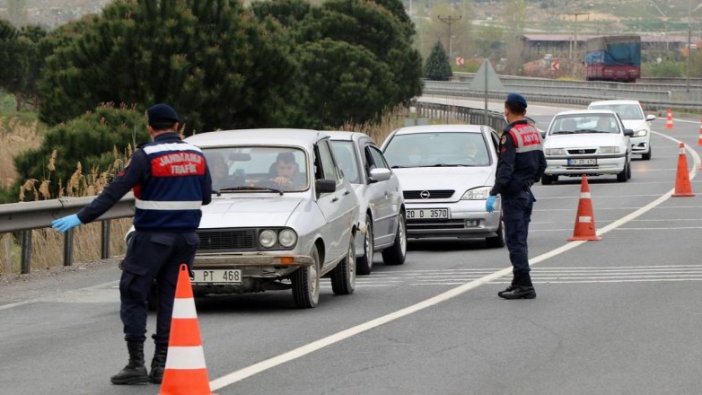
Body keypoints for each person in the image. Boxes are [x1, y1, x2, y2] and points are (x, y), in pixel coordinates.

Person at [51, 103, 212, 385]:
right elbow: (206, 197)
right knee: (171, 299)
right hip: (186, 240)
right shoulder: (197, 155)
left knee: (134, 293)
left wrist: (81, 217)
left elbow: (112, 193)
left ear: (150, 128)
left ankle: (135, 363)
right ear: (177, 126)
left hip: (152, 239)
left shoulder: (145, 156)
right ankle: (161, 364)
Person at [486, 93, 546, 300]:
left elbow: (505, 167)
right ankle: (518, 280)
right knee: (519, 239)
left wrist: (494, 192)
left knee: (516, 241)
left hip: (514, 196)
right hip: (526, 193)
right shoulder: (533, 132)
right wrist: (528, 181)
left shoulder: (509, 135)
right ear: (525, 111)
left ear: (508, 110)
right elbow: (542, 165)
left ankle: (525, 285)